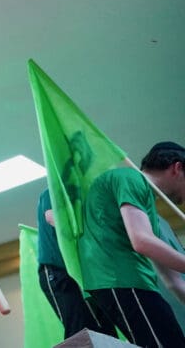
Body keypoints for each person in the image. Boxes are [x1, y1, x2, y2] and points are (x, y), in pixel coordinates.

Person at [79, 141, 185, 347]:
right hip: (121, 279)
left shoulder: (148, 207)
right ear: (177, 168)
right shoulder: (130, 178)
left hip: (136, 283)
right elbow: (142, 241)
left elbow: (173, 281)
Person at [36, 188, 116, 338]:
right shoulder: (54, 190)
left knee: (103, 327)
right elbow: (52, 217)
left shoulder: (83, 196)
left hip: (81, 271)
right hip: (57, 269)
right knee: (79, 327)